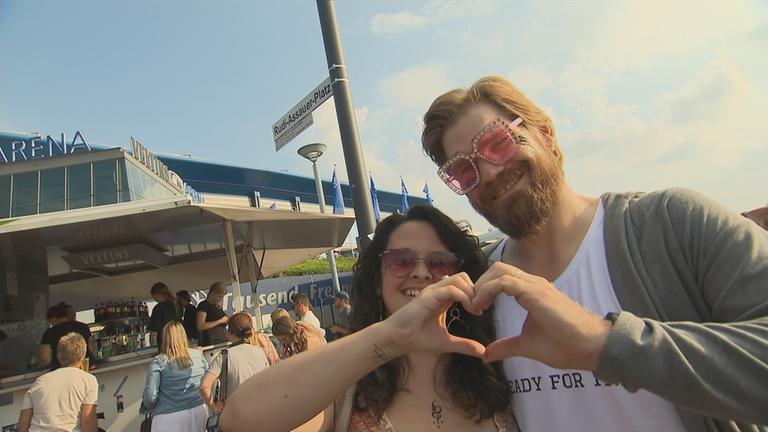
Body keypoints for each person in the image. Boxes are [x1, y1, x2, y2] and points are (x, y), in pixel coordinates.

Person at [419, 75, 768, 430]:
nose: (489, 172)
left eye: (497, 142)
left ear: (544, 133)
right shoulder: (478, 290)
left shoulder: (671, 224)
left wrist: (603, 344)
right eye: (464, 171)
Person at [220, 206, 514, 432]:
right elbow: (239, 419)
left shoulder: (499, 365)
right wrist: (389, 336)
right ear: (377, 282)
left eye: (440, 262)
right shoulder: (345, 392)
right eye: (401, 261)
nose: (422, 273)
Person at [18, 333, 98, 432]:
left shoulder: (39, 382)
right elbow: (88, 421)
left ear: (58, 356)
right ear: (83, 355)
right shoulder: (88, 380)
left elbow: (23, 424)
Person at [140, 321, 208, 432]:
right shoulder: (198, 355)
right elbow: (208, 381)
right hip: (198, 410)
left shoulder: (159, 361)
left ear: (164, 338)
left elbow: (150, 398)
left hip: (168, 417)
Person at [199, 312, 270, 412]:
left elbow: (204, 387)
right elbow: (268, 382)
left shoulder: (224, 356)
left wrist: (214, 406)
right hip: (260, 410)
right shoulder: (259, 352)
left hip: (235, 413)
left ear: (230, 333)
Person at [38, 303, 95, 370]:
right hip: (86, 367)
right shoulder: (83, 327)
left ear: (53, 319)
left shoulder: (49, 334)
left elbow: (44, 359)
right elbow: (91, 348)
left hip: (61, 371)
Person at [148, 282, 182, 351]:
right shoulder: (177, 305)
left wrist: (153, 348)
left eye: (154, 297)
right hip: (179, 341)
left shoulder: (158, 308)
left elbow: (154, 332)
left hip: (165, 344)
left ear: (157, 294)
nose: (154, 299)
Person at [196, 282, 229, 346]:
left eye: (222, 297)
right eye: (219, 297)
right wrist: (220, 321)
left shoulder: (217, 306)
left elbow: (224, 320)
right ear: (212, 293)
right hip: (212, 342)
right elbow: (200, 326)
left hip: (223, 340)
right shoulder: (203, 305)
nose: (220, 299)